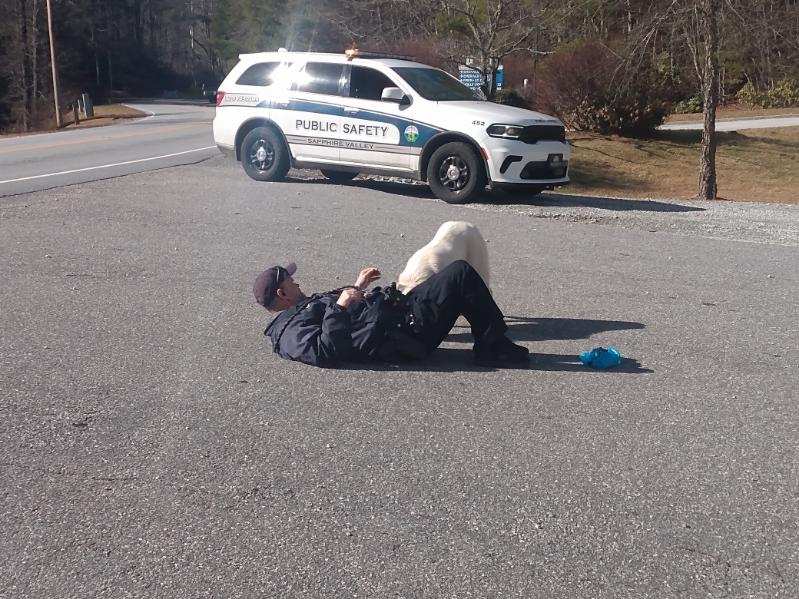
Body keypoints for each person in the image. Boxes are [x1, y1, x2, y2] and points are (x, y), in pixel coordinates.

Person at [254, 260, 528, 368]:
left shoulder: (301, 307)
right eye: (290, 280)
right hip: (404, 336)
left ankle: (492, 343)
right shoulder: (288, 332)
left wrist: (358, 286)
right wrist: (340, 307)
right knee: (459, 275)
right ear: (281, 294)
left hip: (396, 316)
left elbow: (339, 311)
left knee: (457, 272)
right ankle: (492, 347)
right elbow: (326, 352)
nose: (296, 281)